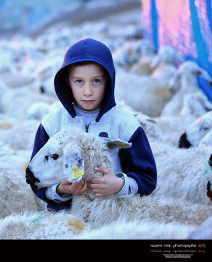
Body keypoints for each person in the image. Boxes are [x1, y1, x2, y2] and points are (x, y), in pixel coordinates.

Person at [27, 38, 157, 212]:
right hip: (65, 221)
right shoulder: (52, 123)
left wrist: (119, 185)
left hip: (113, 214)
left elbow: (147, 177)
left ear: (109, 80)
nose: (87, 91)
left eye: (96, 81)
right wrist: (61, 190)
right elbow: (36, 178)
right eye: (79, 81)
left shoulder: (126, 124)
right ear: (67, 81)